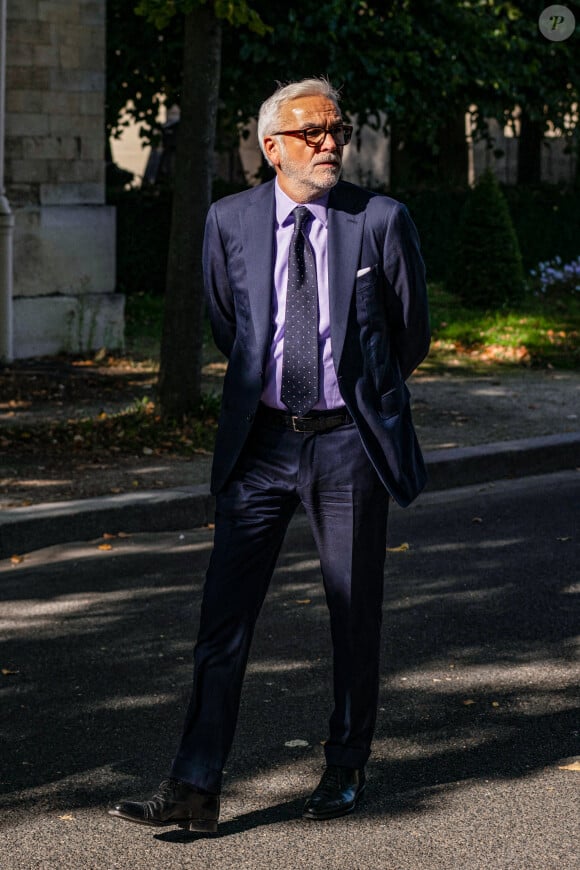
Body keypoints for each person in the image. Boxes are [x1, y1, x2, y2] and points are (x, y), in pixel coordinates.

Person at [109, 77, 430, 834]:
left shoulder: (380, 220)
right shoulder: (228, 221)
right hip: (259, 446)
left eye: (337, 130)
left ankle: (346, 765)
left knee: (353, 615)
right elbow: (234, 327)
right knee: (223, 620)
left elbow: (408, 334)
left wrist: (355, 396)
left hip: (347, 443)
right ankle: (194, 787)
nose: (330, 144)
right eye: (313, 132)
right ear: (271, 145)